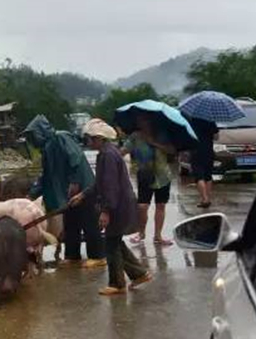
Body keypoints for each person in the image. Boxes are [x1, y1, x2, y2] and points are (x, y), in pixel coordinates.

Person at [69, 119, 152, 296]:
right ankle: (139, 273)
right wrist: (83, 195)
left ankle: (117, 284)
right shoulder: (107, 153)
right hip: (120, 202)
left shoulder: (107, 155)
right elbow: (99, 183)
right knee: (115, 242)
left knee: (111, 244)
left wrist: (106, 211)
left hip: (117, 205)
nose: (88, 142)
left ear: (99, 138)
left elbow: (110, 186)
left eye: (89, 139)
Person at [23, 115, 106, 268]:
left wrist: (75, 181)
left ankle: (98, 256)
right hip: (68, 193)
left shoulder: (60, 138)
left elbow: (75, 158)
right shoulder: (47, 149)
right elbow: (46, 176)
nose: (32, 140)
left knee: (89, 223)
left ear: (41, 132)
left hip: (83, 188)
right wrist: (32, 194)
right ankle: (72, 256)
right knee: (71, 224)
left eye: (33, 136)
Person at [121, 112, 175, 246]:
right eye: (139, 121)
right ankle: (141, 232)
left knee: (160, 205)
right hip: (145, 174)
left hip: (163, 175)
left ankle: (158, 235)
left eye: (144, 120)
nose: (141, 123)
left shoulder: (162, 134)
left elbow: (172, 150)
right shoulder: (135, 136)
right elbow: (124, 150)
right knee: (142, 206)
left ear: (150, 121)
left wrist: (154, 143)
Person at [188, 116, 219, 208]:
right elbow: (216, 137)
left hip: (196, 151)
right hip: (208, 151)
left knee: (199, 176)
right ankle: (208, 199)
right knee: (208, 176)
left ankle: (204, 199)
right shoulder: (210, 120)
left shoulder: (192, 121)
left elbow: (188, 135)